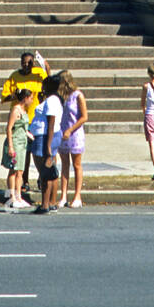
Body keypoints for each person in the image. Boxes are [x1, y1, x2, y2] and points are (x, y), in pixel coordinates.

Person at [1, 51, 51, 191]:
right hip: (20, 118)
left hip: (36, 119)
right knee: (24, 153)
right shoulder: (14, 77)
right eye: (24, 63)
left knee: (38, 152)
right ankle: (24, 181)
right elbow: (4, 97)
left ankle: (42, 179)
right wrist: (17, 95)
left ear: (33, 63)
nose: (27, 65)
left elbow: (49, 84)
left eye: (29, 62)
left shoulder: (38, 73)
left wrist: (46, 67)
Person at [30, 75, 63, 213]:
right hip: (50, 136)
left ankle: (45, 205)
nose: (41, 87)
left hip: (45, 137)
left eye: (43, 85)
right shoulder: (54, 99)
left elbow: (50, 124)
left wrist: (48, 147)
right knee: (51, 171)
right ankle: (52, 202)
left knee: (44, 172)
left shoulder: (51, 101)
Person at [57, 70, 88, 208]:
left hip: (74, 133)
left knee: (76, 164)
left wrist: (71, 129)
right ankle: (63, 195)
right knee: (64, 165)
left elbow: (84, 117)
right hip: (63, 132)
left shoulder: (78, 96)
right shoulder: (61, 96)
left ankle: (77, 196)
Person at [2, 88, 32, 210]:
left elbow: (23, 127)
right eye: (30, 98)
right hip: (14, 142)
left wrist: (28, 134)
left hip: (22, 143)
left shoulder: (24, 110)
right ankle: (11, 197)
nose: (32, 100)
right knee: (13, 171)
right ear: (25, 98)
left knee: (20, 171)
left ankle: (19, 196)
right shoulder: (15, 110)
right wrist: (10, 146)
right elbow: (9, 128)